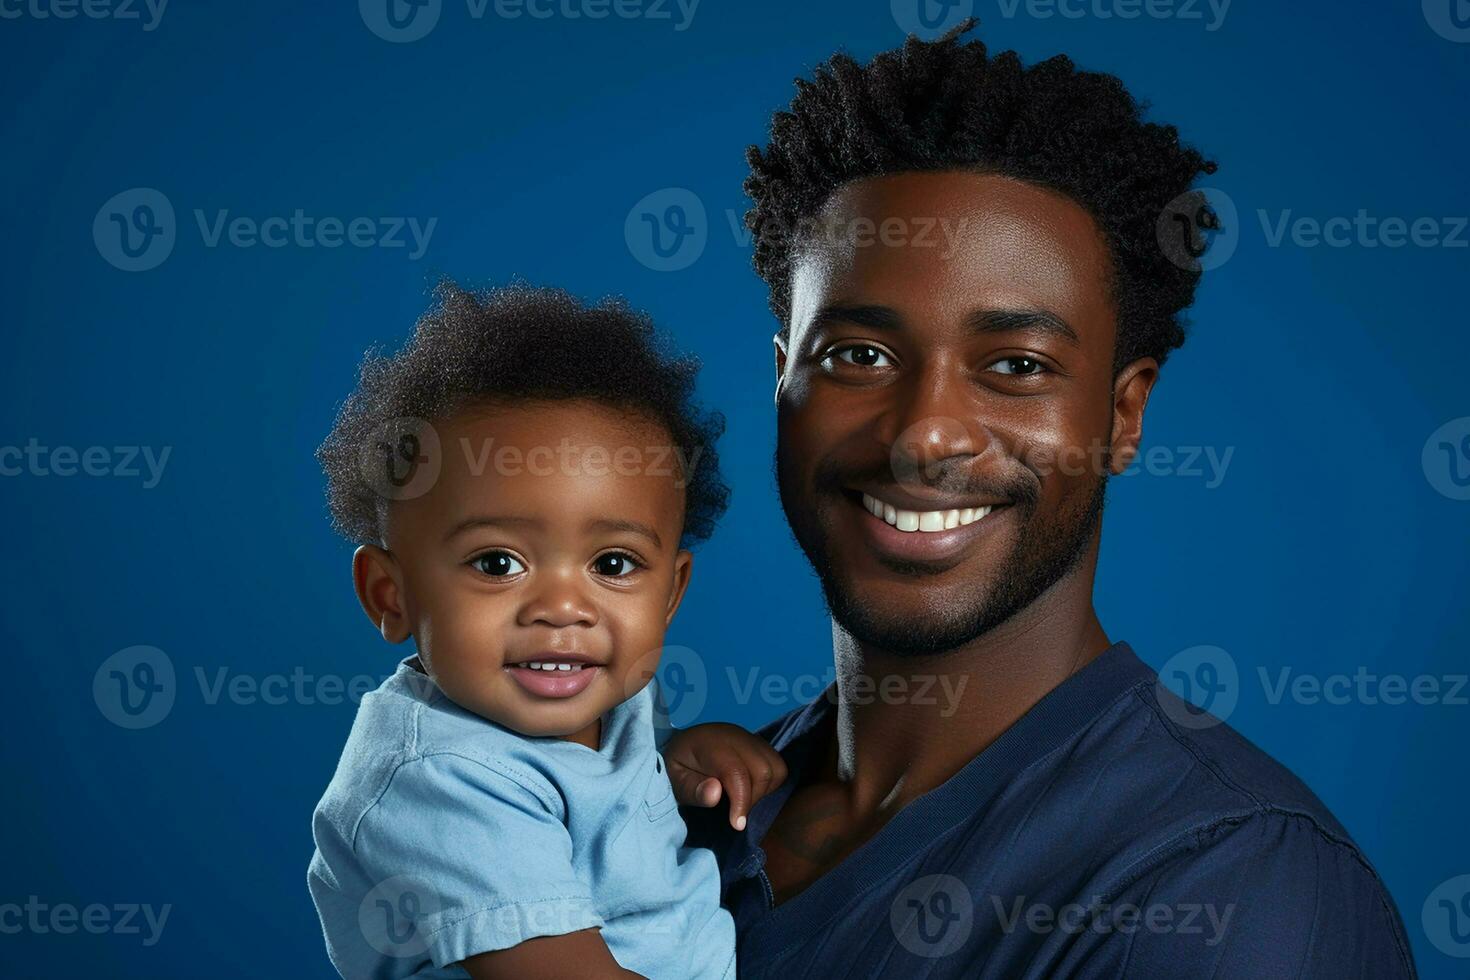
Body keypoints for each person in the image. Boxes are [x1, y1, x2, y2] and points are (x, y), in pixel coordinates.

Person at [672, 21, 1418, 978]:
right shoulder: (671, 813)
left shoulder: (1226, 889)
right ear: (783, 383)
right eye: (859, 355)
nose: (924, 433)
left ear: (1122, 413)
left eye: (1016, 365)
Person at [306, 281, 785, 979]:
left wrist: (677, 758)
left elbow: (603, 798)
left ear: (672, 592)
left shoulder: (604, 702)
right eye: (498, 563)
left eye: (613, 563)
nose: (563, 608)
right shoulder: (440, 782)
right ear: (391, 594)